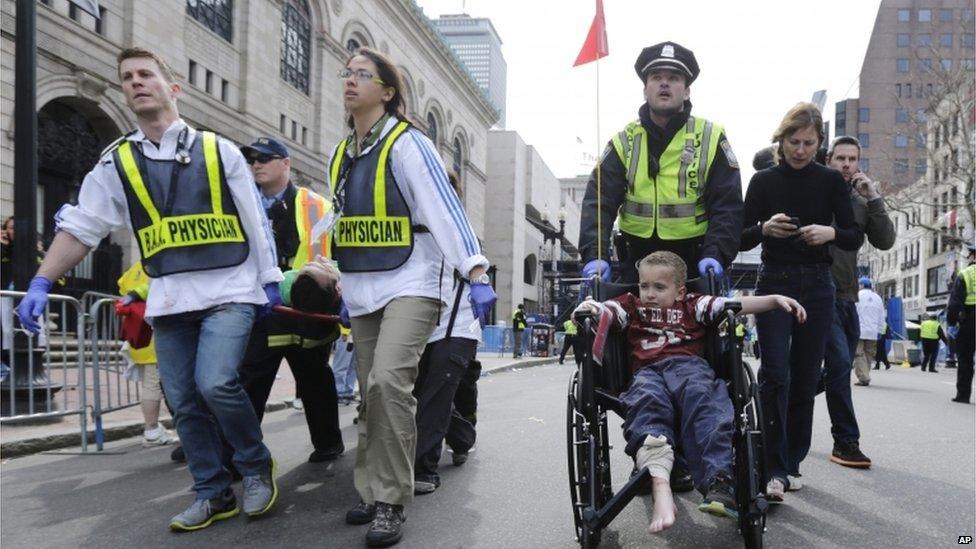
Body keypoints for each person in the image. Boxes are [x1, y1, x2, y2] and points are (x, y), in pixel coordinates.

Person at [16, 48, 282, 531]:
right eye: (127, 77)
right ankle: (212, 492)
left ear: (172, 87)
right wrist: (42, 279)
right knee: (181, 400)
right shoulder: (116, 161)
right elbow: (82, 226)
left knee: (216, 383)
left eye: (146, 74)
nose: (136, 82)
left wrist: (270, 283)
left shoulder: (218, 150)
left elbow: (255, 221)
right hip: (171, 300)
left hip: (229, 292)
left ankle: (254, 464)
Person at [326, 47, 495, 547]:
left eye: (363, 75)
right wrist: (336, 276)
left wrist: (476, 268)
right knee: (368, 396)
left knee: (388, 384)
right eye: (347, 73)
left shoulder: (408, 143)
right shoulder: (342, 152)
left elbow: (444, 208)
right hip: (362, 289)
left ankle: (391, 501)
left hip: (412, 283)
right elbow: (341, 221)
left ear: (387, 90)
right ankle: (371, 486)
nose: (350, 80)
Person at [573, 251, 806, 533]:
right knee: (647, 402)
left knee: (706, 403)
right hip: (648, 372)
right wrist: (591, 308)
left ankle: (719, 481)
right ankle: (660, 483)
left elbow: (730, 304)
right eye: (644, 286)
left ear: (680, 291)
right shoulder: (631, 305)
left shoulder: (694, 305)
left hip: (690, 368)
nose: (649, 293)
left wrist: (773, 300)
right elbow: (608, 311)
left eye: (659, 287)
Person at [740, 102, 863, 500]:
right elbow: (739, 237)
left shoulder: (830, 181)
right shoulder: (762, 181)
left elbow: (852, 235)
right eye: (794, 142)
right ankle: (769, 464)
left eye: (809, 143)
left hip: (818, 284)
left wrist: (829, 233)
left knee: (806, 376)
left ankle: (791, 463)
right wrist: (763, 229)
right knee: (776, 373)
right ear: (781, 140)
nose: (801, 150)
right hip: (774, 281)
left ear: (819, 143)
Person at [577, 41, 743, 285]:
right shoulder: (624, 141)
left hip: (695, 264)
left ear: (687, 91)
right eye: (656, 77)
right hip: (635, 262)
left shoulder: (711, 137)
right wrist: (596, 254)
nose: (664, 83)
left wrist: (716, 254)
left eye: (674, 77)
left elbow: (727, 206)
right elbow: (599, 202)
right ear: (645, 89)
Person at [235, 137, 343, 464]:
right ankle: (241, 458)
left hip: (309, 313)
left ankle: (328, 444)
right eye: (251, 159)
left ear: (286, 164)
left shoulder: (318, 206)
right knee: (250, 384)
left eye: (265, 158)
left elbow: (339, 255)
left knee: (315, 383)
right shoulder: (238, 203)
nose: (256, 164)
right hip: (262, 310)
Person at [413, 170, 483, 495]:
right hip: (419, 325)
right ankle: (462, 436)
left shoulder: (460, 231)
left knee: (436, 393)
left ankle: (423, 468)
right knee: (421, 394)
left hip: (458, 326)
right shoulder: (411, 226)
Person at [116, 261, 177, 447]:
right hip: (156, 335)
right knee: (155, 386)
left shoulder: (134, 268)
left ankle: (153, 429)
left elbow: (122, 286)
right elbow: (158, 286)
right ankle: (151, 431)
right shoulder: (158, 263)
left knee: (151, 385)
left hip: (139, 336)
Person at [947, 245, 975, 403]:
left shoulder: (966, 274)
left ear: (973, 257)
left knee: (965, 360)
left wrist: (952, 323)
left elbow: (955, 303)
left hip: (970, 321)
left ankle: (963, 395)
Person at [853, 277, 886, 387]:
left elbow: (852, 313)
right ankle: (865, 374)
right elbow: (882, 316)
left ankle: (864, 377)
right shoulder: (878, 298)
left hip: (859, 330)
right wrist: (880, 330)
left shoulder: (857, 295)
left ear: (861, 285)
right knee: (868, 354)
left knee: (858, 354)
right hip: (873, 332)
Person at [332, 325, 359, 404]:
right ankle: (338, 392)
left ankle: (348, 392)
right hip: (345, 333)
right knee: (341, 365)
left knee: (353, 366)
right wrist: (345, 332)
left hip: (355, 332)